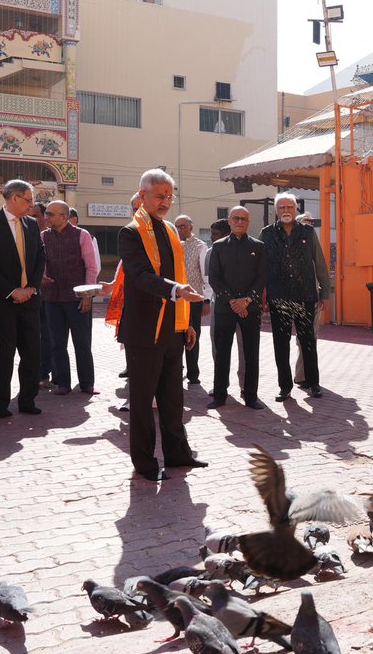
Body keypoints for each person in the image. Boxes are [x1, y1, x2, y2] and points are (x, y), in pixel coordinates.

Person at [113, 169, 207, 481]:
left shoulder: (169, 230)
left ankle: (178, 454)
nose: (166, 201)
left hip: (172, 327)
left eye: (169, 196)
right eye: (159, 196)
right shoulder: (130, 232)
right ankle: (144, 462)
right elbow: (139, 276)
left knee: (173, 396)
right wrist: (175, 291)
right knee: (142, 400)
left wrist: (185, 322)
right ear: (143, 196)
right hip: (143, 329)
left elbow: (180, 276)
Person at [0, 179, 46, 419]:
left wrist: (32, 287)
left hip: (30, 299)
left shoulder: (32, 226)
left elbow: (40, 259)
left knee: (32, 352)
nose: (32, 205)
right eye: (29, 200)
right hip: (3, 301)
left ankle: (27, 399)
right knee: (5, 352)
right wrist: (12, 290)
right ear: (14, 198)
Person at [260, 194, 330, 401]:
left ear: (296, 209)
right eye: (281, 207)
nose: (286, 210)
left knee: (308, 341)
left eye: (290, 206)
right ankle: (285, 386)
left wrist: (325, 293)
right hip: (279, 297)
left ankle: (314, 384)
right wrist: (261, 296)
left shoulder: (308, 232)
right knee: (280, 343)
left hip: (305, 295)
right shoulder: (266, 234)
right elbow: (260, 267)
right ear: (276, 210)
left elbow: (320, 264)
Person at [207, 206, 267, 410]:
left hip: (250, 309)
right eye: (236, 218)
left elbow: (262, 277)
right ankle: (220, 395)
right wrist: (233, 302)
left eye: (244, 219)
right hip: (225, 309)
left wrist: (247, 301)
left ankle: (250, 396)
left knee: (251, 353)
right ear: (230, 221)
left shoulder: (259, 246)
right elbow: (214, 278)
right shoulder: (218, 246)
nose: (240, 222)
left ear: (248, 222)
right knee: (222, 353)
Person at [41, 199, 100, 395]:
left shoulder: (82, 235)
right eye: (46, 214)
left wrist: (87, 296)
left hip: (77, 299)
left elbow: (91, 268)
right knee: (57, 343)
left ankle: (87, 383)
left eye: (50, 214)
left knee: (82, 343)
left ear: (64, 217)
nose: (46, 217)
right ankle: (63, 383)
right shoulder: (43, 237)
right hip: (52, 299)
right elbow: (39, 263)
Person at [288, 209, 329, 391]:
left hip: (311, 297)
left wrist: (324, 295)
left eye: (310, 222)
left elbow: (321, 268)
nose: (308, 225)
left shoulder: (312, 242)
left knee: (309, 337)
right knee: (302, 339)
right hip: (289, 298)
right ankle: (301, 376)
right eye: (304, 222)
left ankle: (303, 376)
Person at [174, 214, 211, 385]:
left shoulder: (200, 246)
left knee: (192, 336)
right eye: (177, 227)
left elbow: (206, 276)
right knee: (174, 337)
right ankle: (175, 370)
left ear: (191, 227)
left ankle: (193, 373)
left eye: (183, 226)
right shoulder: (173, 245)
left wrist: (206, 300)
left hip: (194, 300)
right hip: (175, 300)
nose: (180, 230)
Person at [30, 201, 54, 390]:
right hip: (33, 295)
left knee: (50, 336)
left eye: (37, 215)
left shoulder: (51, 236)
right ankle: (38, 372)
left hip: (54, 295)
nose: (34, 219)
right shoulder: (29, 236)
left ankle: (47, 372)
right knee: (35, 336)